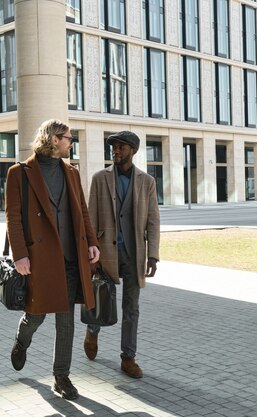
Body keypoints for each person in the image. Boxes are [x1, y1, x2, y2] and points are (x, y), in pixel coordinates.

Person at [5, 119, 100, 400]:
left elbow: (82, 211)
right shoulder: (19, 173)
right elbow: (13, 218)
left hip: (71, 258)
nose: (72, 142)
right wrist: (19, 254)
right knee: (36, 315)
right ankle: (22, 342)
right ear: (54, 139)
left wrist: (92, 243)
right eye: (69, 138)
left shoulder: (71, 172)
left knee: (66, 321)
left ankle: (61, 376)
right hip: (40, 259)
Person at [84, 131, 160, 378]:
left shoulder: (147, 182)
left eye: (121, 147)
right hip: (105, 253)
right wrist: (90, 253)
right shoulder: (100, 179)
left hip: (134, 254)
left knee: (132, 308)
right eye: (113, 147)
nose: (115, 150)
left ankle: (128, 357)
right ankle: (92, 331)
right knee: (100, 299)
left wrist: (153, 255)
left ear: (133, 151)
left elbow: (153, 221)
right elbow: (90, 217)